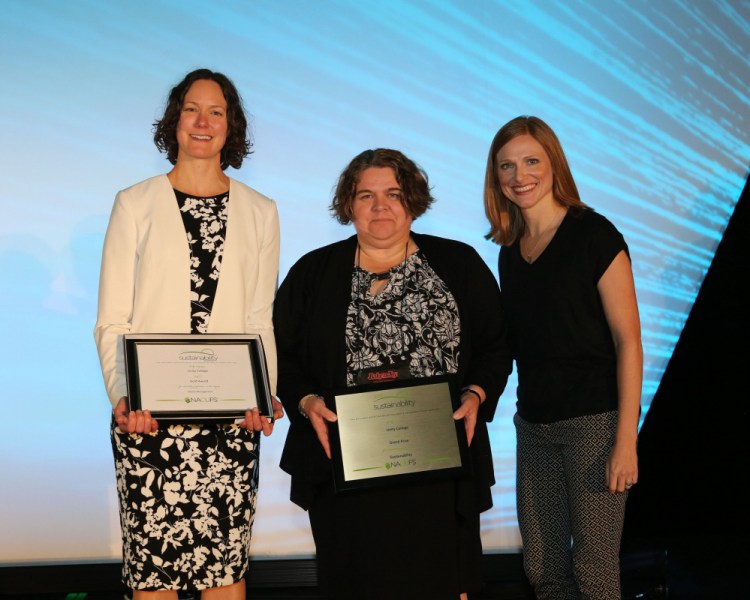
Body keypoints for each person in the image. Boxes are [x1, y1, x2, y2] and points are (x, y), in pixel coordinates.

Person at [273, 148, 511, 600]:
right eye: (366, 194)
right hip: (346, 469)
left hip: (439, 469)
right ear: (349, 204)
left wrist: (477, 394)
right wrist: (306, 402)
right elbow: (279, 354)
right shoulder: (312, 272)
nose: (380, 205)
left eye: (393, 193)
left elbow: (496, 345)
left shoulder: (458, 264)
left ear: (412, 201)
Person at [94, 68, 284, 600]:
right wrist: (122, 394)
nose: (203, 121)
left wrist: (262, 394)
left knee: (225, 571)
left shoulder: (261, 211)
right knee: (153, 573)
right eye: (191, 109)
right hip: (147, 421)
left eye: (216, 111)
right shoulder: (134, 203)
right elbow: (113, 319)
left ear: (231, 126)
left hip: (230, 424)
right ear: (175, 121)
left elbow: (258, 319)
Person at [483, 116, 642, 600]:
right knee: (544, 571)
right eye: (507, 165)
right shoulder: (510, 251)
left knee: (594, 575)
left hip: (595, 426)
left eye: (531, 161)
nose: (519, 175)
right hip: (534, 428)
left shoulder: (595, 235)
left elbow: (628, 341)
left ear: (554, 165)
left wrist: (626, 441)